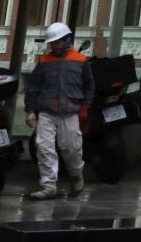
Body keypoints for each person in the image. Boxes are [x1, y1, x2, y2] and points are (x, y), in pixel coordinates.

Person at [22, 21, 92, 200]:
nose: (54, 45)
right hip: (46, 111)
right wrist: (31, 110)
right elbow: (33, 87)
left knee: (71, 149)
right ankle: (48, 186)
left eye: (57, 42)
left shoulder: (81, 61)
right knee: (44, 148)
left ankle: (76, 175)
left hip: (70, 112)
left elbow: (89, 86)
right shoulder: (44, 61)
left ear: (66, 39)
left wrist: (85, 108)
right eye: (52, 43)